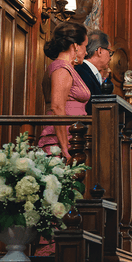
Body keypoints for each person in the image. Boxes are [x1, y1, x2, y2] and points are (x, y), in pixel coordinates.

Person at [37, 22, 90, 161]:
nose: (86, 52)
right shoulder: (61, 68)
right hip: (60, 142)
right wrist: (65, 147)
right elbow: (57, 107)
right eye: (85, 46)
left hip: (73, 138)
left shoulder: (67, 68)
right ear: (75, 46)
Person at [75, 30, 113, 114]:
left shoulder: (89, 72)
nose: (110, 58)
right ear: (99, 51)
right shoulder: (81, 71)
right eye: (109, 52)